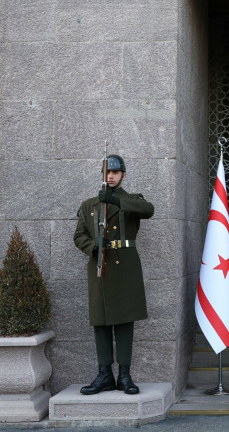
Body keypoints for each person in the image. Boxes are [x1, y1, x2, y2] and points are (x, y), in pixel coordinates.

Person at [73, 154, 155, 395]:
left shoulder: (131, 200)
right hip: (100, 265)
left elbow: (148, 210)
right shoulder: (89, 205)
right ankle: (105, 375)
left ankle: (125, 376)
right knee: (101, 322)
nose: (110, 176)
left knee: (124, 322)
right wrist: (92, 247)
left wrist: (117, 202)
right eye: (107, 172)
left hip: (125, 266)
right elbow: (79, 236)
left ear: (123, 175)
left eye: (115, 173)